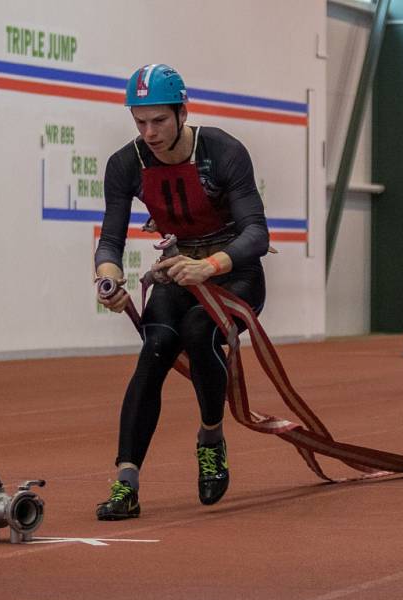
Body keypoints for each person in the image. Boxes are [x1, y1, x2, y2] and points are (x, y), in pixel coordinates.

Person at [93, 64, 270, 520]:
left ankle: (211, 439)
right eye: (140, 122)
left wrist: (208, 265)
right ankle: (125, 484)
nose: (149, 132)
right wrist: (107, 279)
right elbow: (110, 240)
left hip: (234, 275)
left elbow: (257, 235)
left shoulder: (224, 151)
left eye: (159, 121)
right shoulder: (125, 164)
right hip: (178, 272)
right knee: (154, 348)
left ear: (182, 112)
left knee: (197, 330)